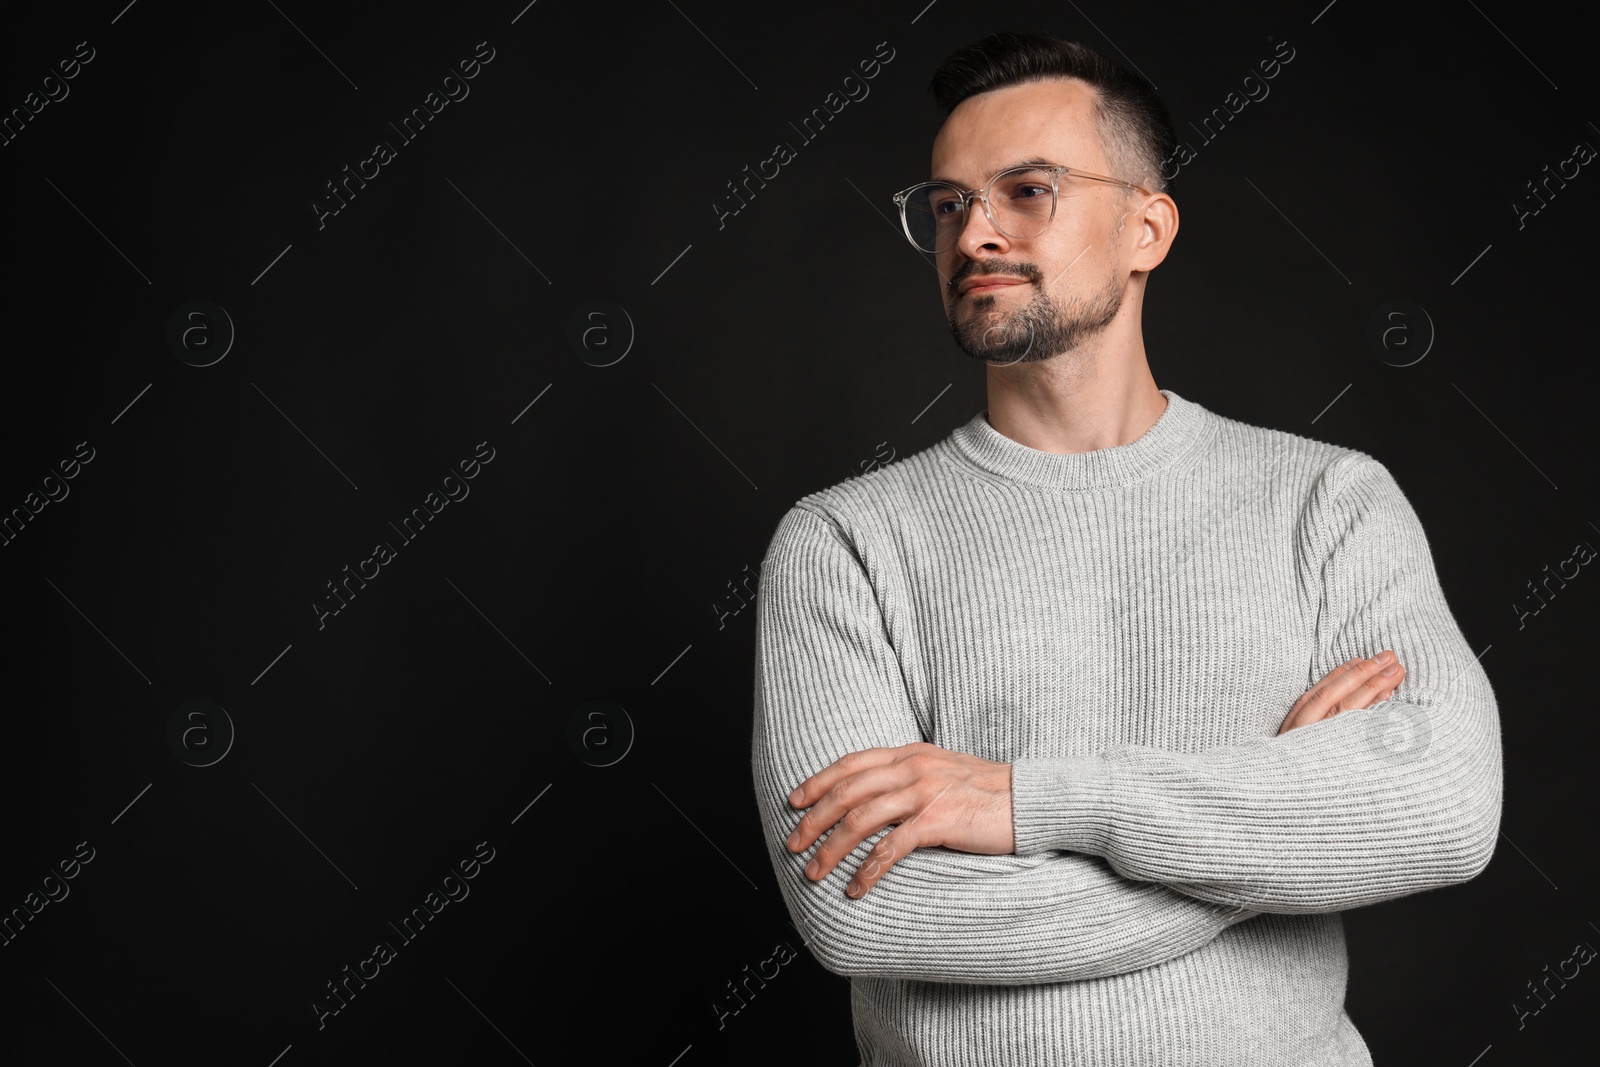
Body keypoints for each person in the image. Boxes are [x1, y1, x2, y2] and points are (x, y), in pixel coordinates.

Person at [749, 30, 1503, 1067]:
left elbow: (1446, 807)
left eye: (1026, 190)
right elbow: (864, 910)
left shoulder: (1326, 501)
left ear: (1146, 227)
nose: (974, 234)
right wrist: (1273, 842)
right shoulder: (841, 542)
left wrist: (1030, 802)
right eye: (948, 203)